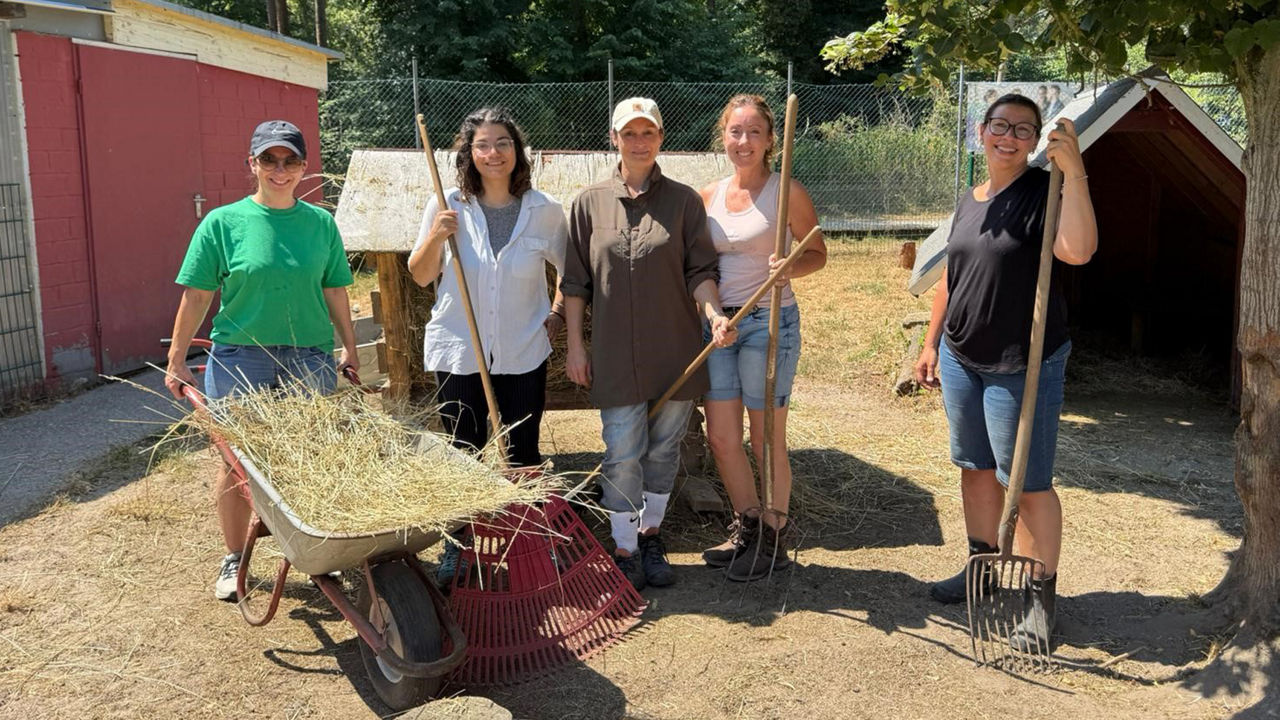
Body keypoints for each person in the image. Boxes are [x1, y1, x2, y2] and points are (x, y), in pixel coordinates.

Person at [914, 94, 1096, 649]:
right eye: (999, 126)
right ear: (981, 130)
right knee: (974, 467)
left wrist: (1075, 170)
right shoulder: (970, 199)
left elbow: (1079, 251)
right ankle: (984, 569)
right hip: (962, 355)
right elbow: (953, 276)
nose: (1008, 137)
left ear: (1035, 139)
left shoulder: (1048, 192)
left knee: (1028, 483)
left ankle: (1041, 601)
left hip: (1023, 363)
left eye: (1022, 129)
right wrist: (929, 344)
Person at [165, 119, 359, 601]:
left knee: (309, 458)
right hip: (240, 358)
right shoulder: (223, 224)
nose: (280, 169)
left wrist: (350, 346)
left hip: (308, 356)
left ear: (304, 166)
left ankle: (316, 552)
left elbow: (334, 288)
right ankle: (235, 557)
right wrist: (177, 357)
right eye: (269, 159)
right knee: (237, 463)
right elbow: (197, 294)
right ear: (251, 163)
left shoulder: (320, 224)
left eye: (290, 160)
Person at [561, 97, 735, 592]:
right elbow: (575, 283)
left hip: (673, 351)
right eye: (629, 133)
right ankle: (624, 547)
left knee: (662, 451)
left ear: (661, 138)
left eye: (648, 133)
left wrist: (715, 313)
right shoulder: (588, 202)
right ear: (614, 138)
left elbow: (700, 272)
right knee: (621, 452)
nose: (639, 142)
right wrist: (576, 346)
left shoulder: (683, 202)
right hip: (615, 356)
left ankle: (651, 534)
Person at [409, 107, 569, 585]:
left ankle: (531, 541)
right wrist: (437, 236)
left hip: (523, 349)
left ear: (517, 151)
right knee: (463, 449)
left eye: (502, 143)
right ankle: (457, 547)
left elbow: (571, 273)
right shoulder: (446, 206)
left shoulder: (545, 210)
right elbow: (420, 275)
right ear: (469, 153)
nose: (493, 153)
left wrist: (557, 314)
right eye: (482, 144)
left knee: (523, 449)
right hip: (461, 348)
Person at [697, 95, 827, 582]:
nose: (744, 141)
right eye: (736, 131)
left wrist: (792, 265)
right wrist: (711, 315)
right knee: (722, 436)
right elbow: (699, 267)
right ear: (723, 136)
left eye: (754, 132)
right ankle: (748, 525)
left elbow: (817, 254)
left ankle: (774, 535)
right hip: (720, 328)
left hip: (770, 323)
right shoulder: (707, 196)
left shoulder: (787, 191)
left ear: (771, 140)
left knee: (765, 438)